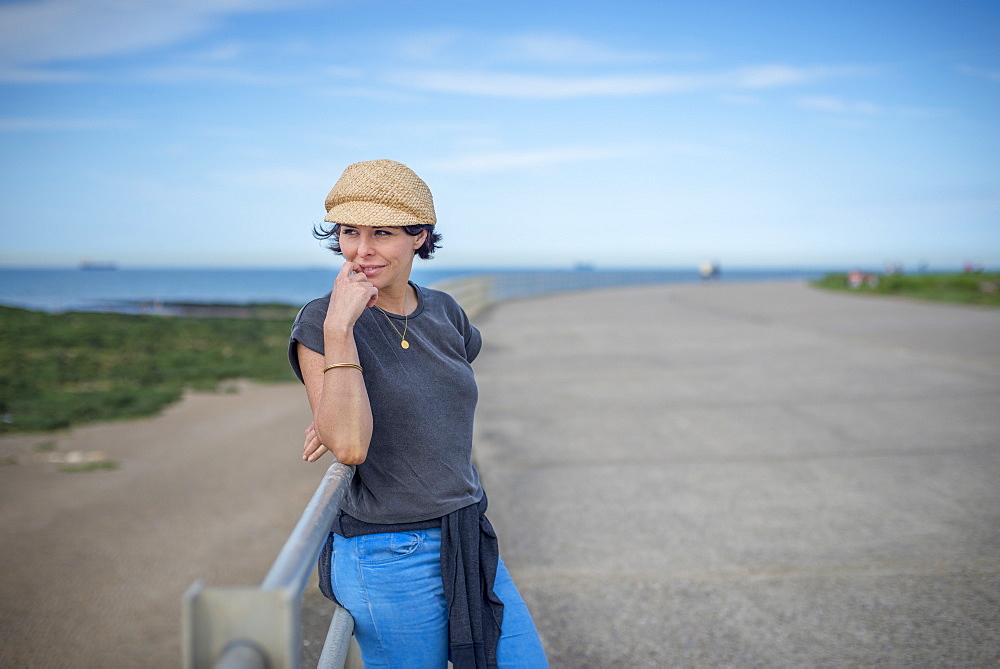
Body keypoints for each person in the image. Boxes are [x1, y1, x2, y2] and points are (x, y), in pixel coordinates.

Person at [288, 159, 548, 668]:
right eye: (349, 232)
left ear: (419, 236)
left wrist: (359, 403)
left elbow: (435, 395)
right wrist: (342, 330)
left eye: (382, 233)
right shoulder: (322, 320)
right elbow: (350, 445)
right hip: (387, 554)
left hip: (466, 533)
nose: (362, 251)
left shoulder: (445, 311)